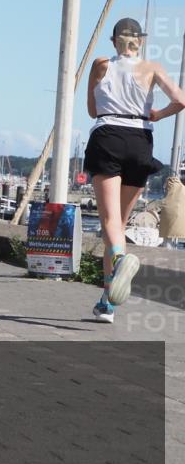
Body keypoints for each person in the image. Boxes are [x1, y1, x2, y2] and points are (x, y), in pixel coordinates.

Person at [84, 17, 185, 323]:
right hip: (140, 139)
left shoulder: (102, 64)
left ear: (115, 41)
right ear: (140, 41)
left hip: (108, 135)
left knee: (110, 222)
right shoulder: (152, 68)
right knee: (120, 222)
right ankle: (107, 303)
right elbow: (180, 100)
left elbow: (92, 110)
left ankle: (120, 259)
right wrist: (158, 114)